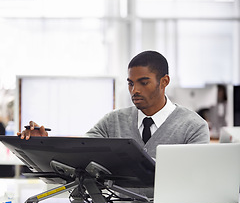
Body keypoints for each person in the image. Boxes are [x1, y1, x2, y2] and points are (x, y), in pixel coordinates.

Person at [18, 50, 210, 159]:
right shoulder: (113, 121)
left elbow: (197, 180)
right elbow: (77, 158)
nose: (135, 90)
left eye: (143, 82)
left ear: (164, 81)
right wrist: (42, 144)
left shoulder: (193, 127)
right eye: (130, 83)